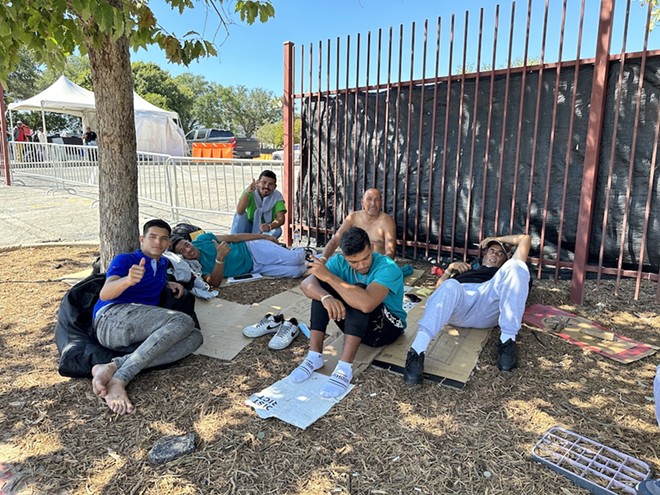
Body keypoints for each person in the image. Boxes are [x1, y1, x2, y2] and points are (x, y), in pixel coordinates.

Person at [90, 219, 203, 415]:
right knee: (183, 320)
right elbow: (105, 293)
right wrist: (127, 280)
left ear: (168, 244)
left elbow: (154, 281)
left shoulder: (162, 265)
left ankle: (112, 365)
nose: (157, 242)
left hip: (135, 328)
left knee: (195, 337)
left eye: (163, 239)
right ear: (142, 239)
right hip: (111, 318)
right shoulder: (126, 260)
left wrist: (168, 284)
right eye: (152, 237)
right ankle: (120, 378)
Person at [288, 226, 406, 398]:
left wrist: (328, 276)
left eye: (365, 258)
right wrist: (325, 297)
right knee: (322, 290)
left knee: (358, 291)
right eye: (353, 262)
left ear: (372, 247)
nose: (361, 265)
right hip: (357, 327)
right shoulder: (338, 261)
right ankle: (314, 356)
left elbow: (366, 304)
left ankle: (344, 368)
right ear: (344, 257)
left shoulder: (389, 267)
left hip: (386, 329)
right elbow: (306, 285)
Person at [403, 234, 532, 384]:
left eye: (500, 253)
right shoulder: (467, 268)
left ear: (504, 259)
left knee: (518, 266)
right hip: (461, 304)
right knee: (450, 285)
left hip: (488, 302)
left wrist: (496, 238)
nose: (495, 254)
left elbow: (525, 239)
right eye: (492, 250)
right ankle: (416, 353)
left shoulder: (503, 273)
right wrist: (449, 269)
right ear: (484, 254)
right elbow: (439, 292)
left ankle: (507, 342)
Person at [320, 188, 413, 277]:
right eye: (369, 199)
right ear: (362, 202)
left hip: (376, 266)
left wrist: (377, 269)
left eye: (377, 200)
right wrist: (322, 260)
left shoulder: (387, 221)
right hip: (353, 265)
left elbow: (390, 252)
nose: (373, 203)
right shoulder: (353, 217)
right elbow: (335, 240)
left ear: (381, 202)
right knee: (330, 269)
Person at [171, 231, 308, 287]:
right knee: (297, 271)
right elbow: (214, 282)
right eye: (183, 251)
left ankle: (305, 251)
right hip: (254, 268)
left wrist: (263, 237)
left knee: (296, 259)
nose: (188, 250)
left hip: (252, 248)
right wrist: (219, 258)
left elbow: (235, 237)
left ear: (189, 241)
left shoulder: (202, 239)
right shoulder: (197, 266)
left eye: (186, 245)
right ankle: (312, 258)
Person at [231, 170, 286, 239]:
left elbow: (280, 219)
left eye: (270, 184)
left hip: (264, 230)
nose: (266, 186)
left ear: (275, 187)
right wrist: (247, 192)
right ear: (258, 183)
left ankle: (256, 245)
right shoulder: (250, 191)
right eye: (264, 182)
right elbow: (239, 211)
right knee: (240, 216)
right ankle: (233, 242)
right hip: (248, 226)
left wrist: (270, 226)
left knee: (277, 231)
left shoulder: (277, 196)